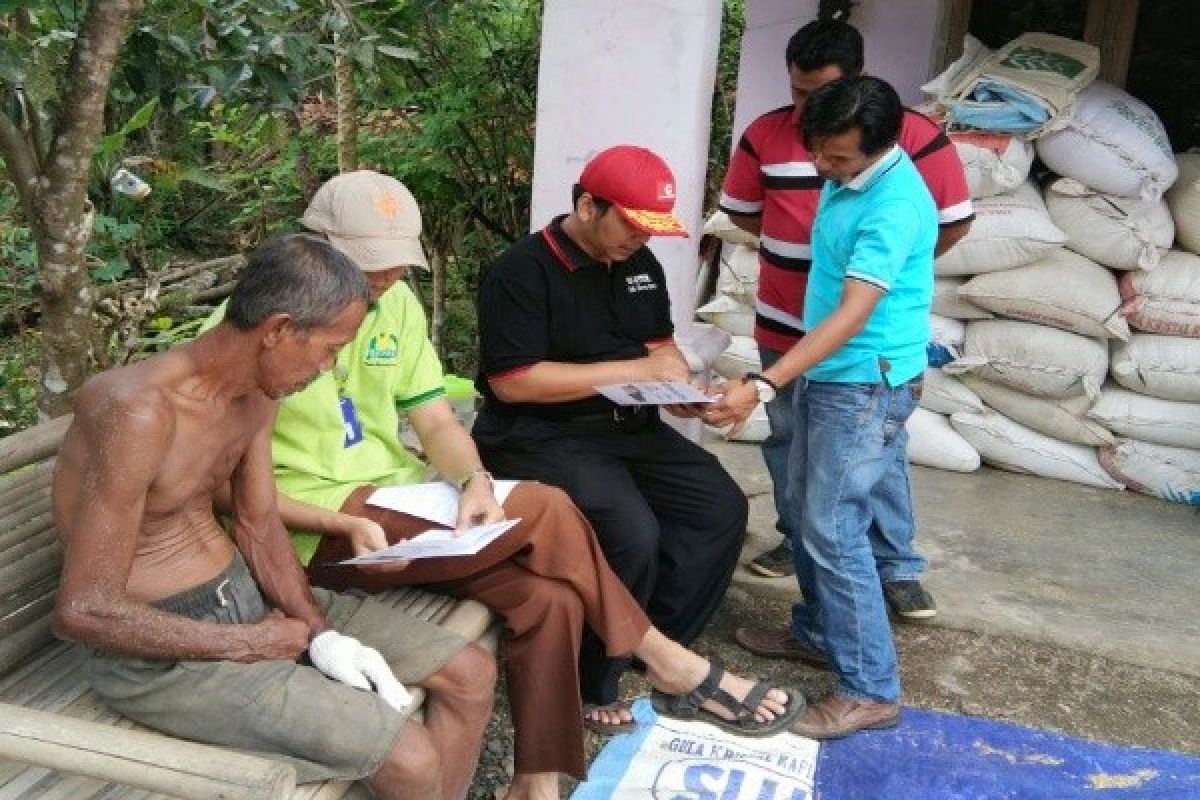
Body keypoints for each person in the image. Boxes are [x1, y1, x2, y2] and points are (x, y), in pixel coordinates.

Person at [230, 171, 800, 800]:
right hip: (323, 530)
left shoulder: (392, 304)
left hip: (393, 505)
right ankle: (668, 659)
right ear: (315, 245)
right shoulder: (260, 326)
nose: (385, 279)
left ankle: (535, 783)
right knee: (546, 505)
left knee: (548, 599)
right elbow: (226, 491)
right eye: (370, 265)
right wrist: (336, 521)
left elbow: (436, 417)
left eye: (395, 265)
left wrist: (473, 479)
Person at [51, 234, 496, 800]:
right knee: (408, 757)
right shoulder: (136, 412)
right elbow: (83, 611)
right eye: (330, 349)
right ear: (279, 330)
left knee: (471, 674)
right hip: (156, 656)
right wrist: (250, 646)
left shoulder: (256, 395)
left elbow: (259, 526)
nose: (329, 367)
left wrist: (318, 632)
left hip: (248, 602)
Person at [472, 145, 750, 734]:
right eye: (629, 223)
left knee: (719, 507)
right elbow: (515, 384)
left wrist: (682, 388)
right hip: (539, 433)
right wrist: (628, 374)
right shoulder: (519, 271)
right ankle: (589, 679)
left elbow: (658, 347)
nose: (638, 240)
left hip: (628, 426)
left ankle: (657, 644)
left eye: (650, 230)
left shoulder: (638, 265)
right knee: (632, 532)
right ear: (587, 205)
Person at [719, 17, 972, 625]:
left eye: (819, 94)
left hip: (855, 351)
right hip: (790, 326)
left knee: (857, 481)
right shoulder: (793, 145)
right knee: (802, 469)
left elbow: (946, 224)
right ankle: (815, 591)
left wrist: (877, 273)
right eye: (797, 93)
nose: (805, 112)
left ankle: (890, 575)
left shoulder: (897, 154)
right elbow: (746, 214)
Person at [708, 75, 938, 738]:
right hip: (832, 374)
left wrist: (766, 381)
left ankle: (870, 686)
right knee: (807, 512)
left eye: (836, 159)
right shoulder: (850, 178)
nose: (821, 167)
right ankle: (818, 631)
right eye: (818, 152)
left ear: (880, 146)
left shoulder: (893, 206)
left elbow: (856, 312)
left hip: (864, 381)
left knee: (834, 526)